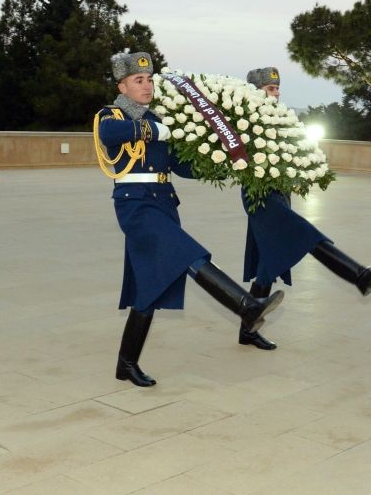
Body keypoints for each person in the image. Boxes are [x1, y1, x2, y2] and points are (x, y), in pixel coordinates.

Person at [94, 51, 283, 387]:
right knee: (188, 254)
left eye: (149, 79)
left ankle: (126, 364)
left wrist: (223, 159)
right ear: (122, 86)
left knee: (148, 288)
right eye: (139, 80)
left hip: (164, 205)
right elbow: (110, 137)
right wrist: (155, 130)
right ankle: (246, 305)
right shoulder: (111, 116)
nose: (147, 85)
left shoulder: (157, 119)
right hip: (136, 208)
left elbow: (181, 167)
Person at [235, 67, 371, 350]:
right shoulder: (243, 120)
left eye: (277, 87)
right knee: (304, 234)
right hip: (259, 195)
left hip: (279, 192)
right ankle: (357, 274)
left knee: (267, 263)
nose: (277, 92)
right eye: (271, 88)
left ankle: (247, 329)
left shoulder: (278, 119)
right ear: (255, 91)